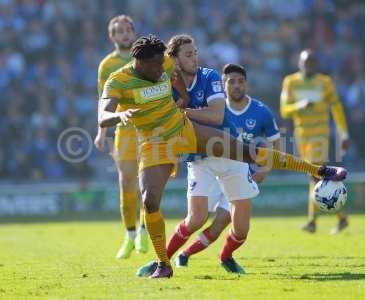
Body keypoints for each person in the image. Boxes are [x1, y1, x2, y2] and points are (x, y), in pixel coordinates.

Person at [99, 34, 347, 278]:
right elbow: (102, 114)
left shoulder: (166, 63)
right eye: (156, 67)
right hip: (154, 144)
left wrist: (183, 97)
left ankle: (319, 170)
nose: (160, 71)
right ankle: (164, 264)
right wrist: (118, 117)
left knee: (248, 153)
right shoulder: (118, 81)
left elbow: (176, 78)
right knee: (150, 201)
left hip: (183, 129)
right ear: (140, 64)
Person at [138, 35, 260, 276]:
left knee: (241, 229)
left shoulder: (210, 76)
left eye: (195, 53)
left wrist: (181, 112)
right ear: (173, 59)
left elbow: (216, 116)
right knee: (196, 218)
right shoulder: (165, 85)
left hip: (230, 153)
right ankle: (161, 261)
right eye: (188, 54)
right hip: (199, 159)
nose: (194, 58)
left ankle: (226, 256)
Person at [174, 63, 282, 272]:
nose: (236, 86)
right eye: (231, 82)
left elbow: (275, 142)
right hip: (209, 169)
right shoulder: (213, 108)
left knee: (223, 222)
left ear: (246, 84)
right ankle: (180, 253)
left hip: (236, 173)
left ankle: (198, 255)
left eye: (240, 81)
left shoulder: (261, 111)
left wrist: (264, 170)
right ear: (223, 86)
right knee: (197, 217)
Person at [94, 15, 149, 258]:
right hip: (124, 129)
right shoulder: (107, 65)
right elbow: (104, 101)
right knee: (127, 182)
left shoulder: (149, 58)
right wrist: (101, 131)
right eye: (120, 31)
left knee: (149, 183)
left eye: (129, 30)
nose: (125, 34)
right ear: (112, 36)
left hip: (150, 128)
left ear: (134, 32)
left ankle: (146, 232)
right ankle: (130, 235)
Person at [280, 49, 350, 235]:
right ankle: (341, 217)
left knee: (315, 175)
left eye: (311, 62)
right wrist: (299, 106)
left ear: (316, 64)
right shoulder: (291, 82)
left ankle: (313, 221)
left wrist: (343, 134)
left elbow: (337, 109)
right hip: (302, 135)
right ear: (299, 63)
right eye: (305, 62)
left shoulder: (325, 82)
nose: (308, 65)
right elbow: (284, 110)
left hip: (320, 135)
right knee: (317, 176)